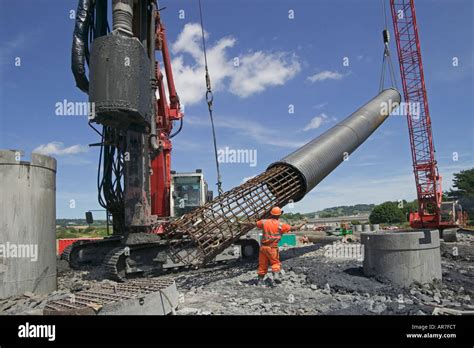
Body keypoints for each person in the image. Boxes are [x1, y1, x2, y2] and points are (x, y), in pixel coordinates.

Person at [239, 206, 305, 285]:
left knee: (262, 264)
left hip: (263, 248)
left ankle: (260, 280)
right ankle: (276, 276)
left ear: (271, 214)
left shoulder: (264, 222)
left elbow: (253, 224)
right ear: (279, 215)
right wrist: (303, 223)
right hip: (272, 248)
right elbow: (295, 228)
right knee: (275, 262)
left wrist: (243, 223)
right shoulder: (281, 225)